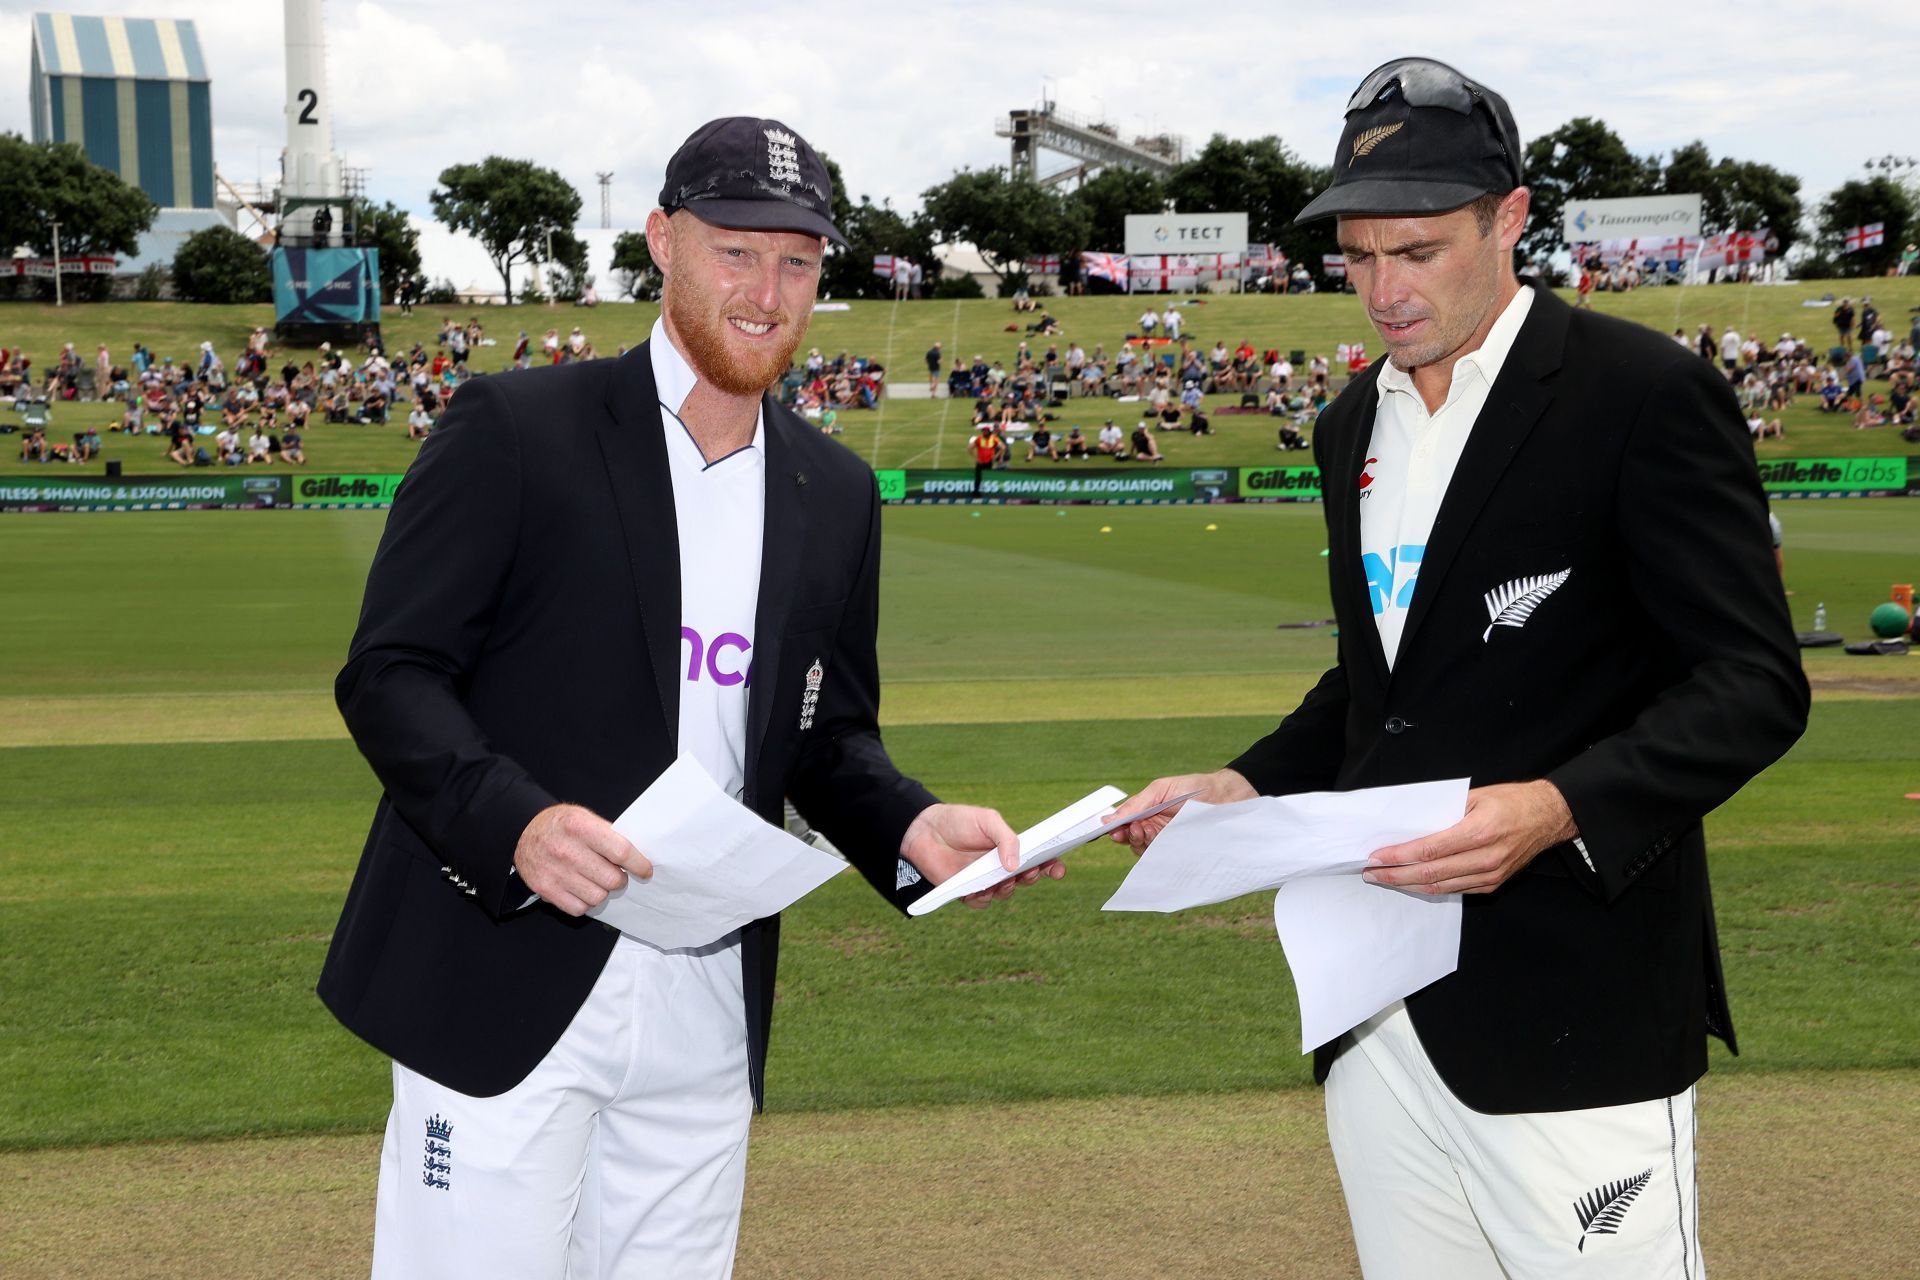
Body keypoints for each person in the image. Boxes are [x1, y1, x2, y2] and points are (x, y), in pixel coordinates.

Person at [319, 117, 1053, 1280]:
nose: (768, 291)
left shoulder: (834, 488)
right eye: (737, 251)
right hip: (510, 971)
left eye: (799, 261)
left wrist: (911, 825)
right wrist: (512, 820)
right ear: (663, 241)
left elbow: (824, 734)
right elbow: (391, 672)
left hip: (707, 993)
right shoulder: (518, 428)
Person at [1111, 58, 1806, 1280]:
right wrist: (1242, 781)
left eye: (1419, 251)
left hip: (1571, 1012)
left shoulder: (1642, 396)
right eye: (1360, 256)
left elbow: (1754, 681)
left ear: (1511, 219)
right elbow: (1381, 684)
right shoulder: (1347, 423)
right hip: (1378, 1012)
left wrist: (1556, 810)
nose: (1383, 290)